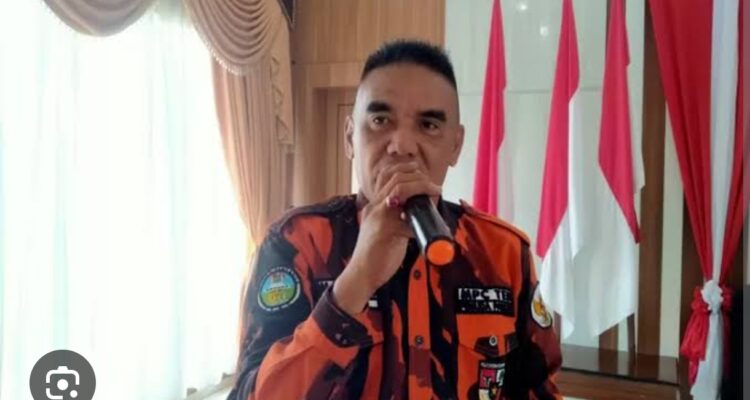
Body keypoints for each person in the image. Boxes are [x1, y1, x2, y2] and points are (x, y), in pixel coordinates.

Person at [227, 40, 562, 400]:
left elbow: (539, 390)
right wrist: (355, 282)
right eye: (380, 121)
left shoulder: (502, 253)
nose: (401, 145)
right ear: (350, 137)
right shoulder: (297, 243)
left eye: (428, 125)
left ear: (455, 145)